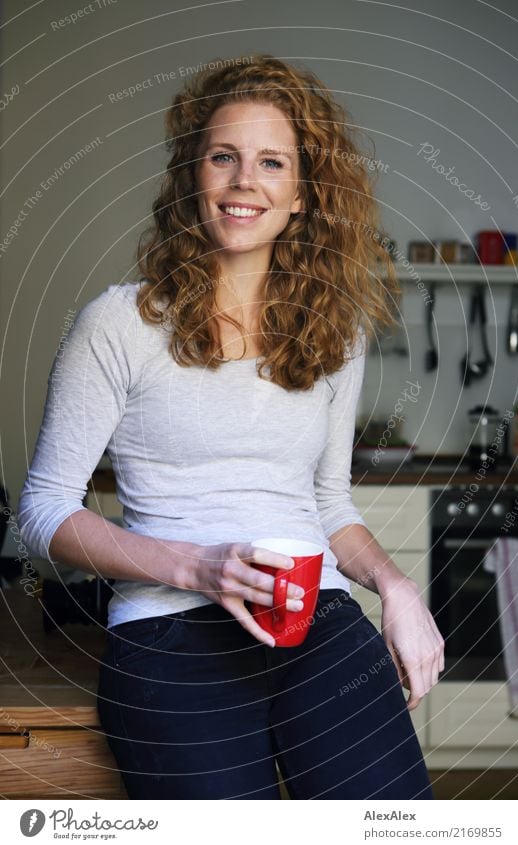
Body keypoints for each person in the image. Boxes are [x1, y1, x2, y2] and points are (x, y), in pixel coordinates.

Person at [18, 53, 444, 800]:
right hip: (169, 632)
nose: (246, 179)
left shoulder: (334, 333)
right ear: (196, 176)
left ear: (303, 195)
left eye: (272, 162)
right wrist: (195, 567)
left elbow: (330, 507)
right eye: (225, 156)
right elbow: (44, 511)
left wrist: (397, 588)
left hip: (319, 624)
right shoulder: (118, 324)